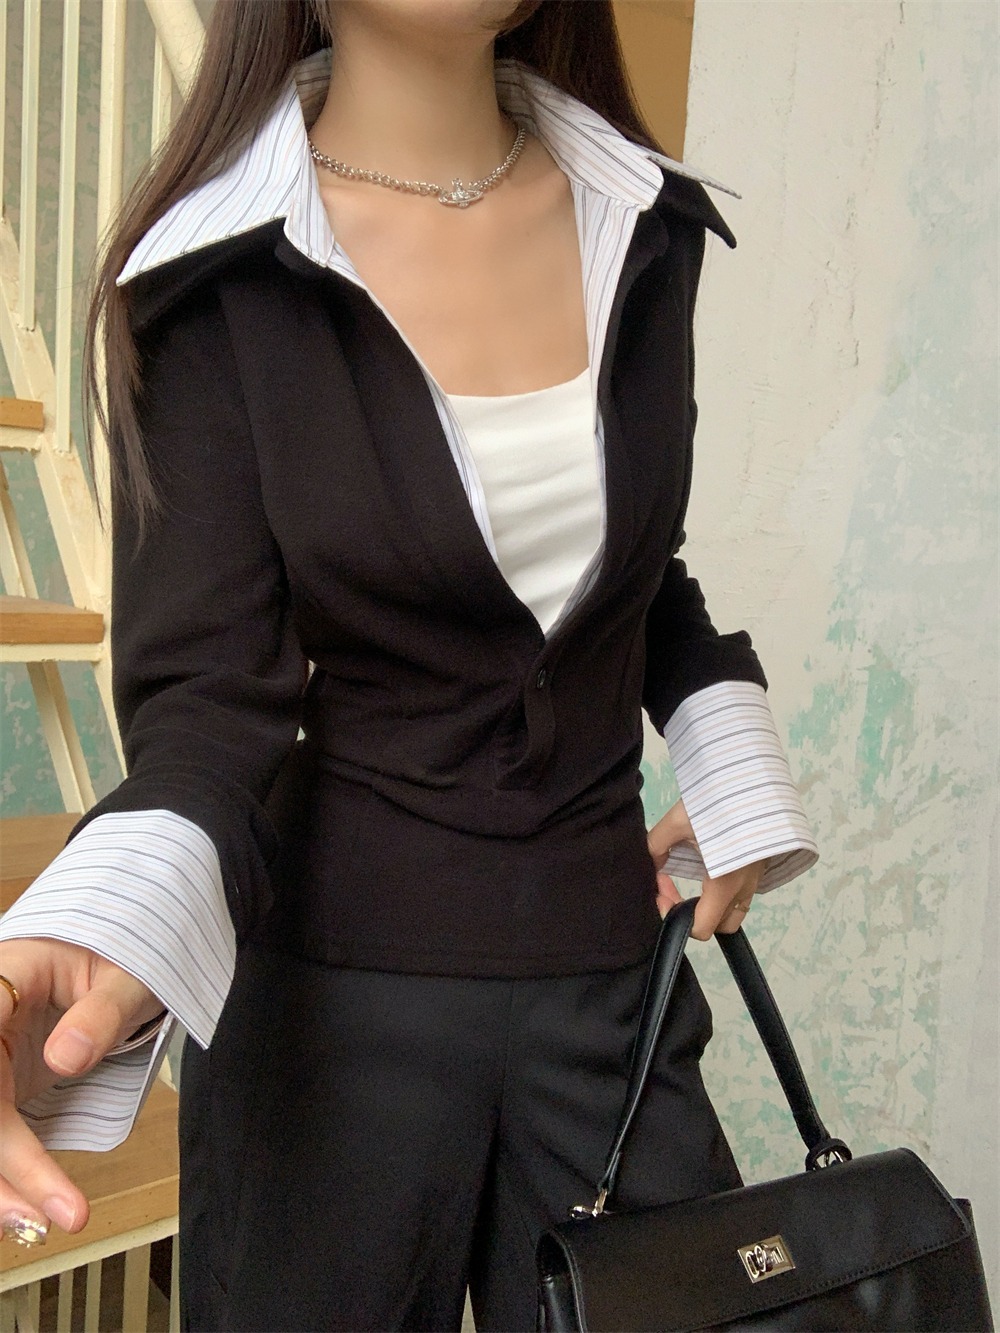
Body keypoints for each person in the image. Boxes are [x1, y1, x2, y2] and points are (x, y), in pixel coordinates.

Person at [0, 2, 818, 1328]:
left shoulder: (646, 222)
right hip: (328, 1022)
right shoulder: (208, 276)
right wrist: (89, 925)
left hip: (608, 980)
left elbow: (634, 573)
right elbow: (209, 704)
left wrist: (738, 789)